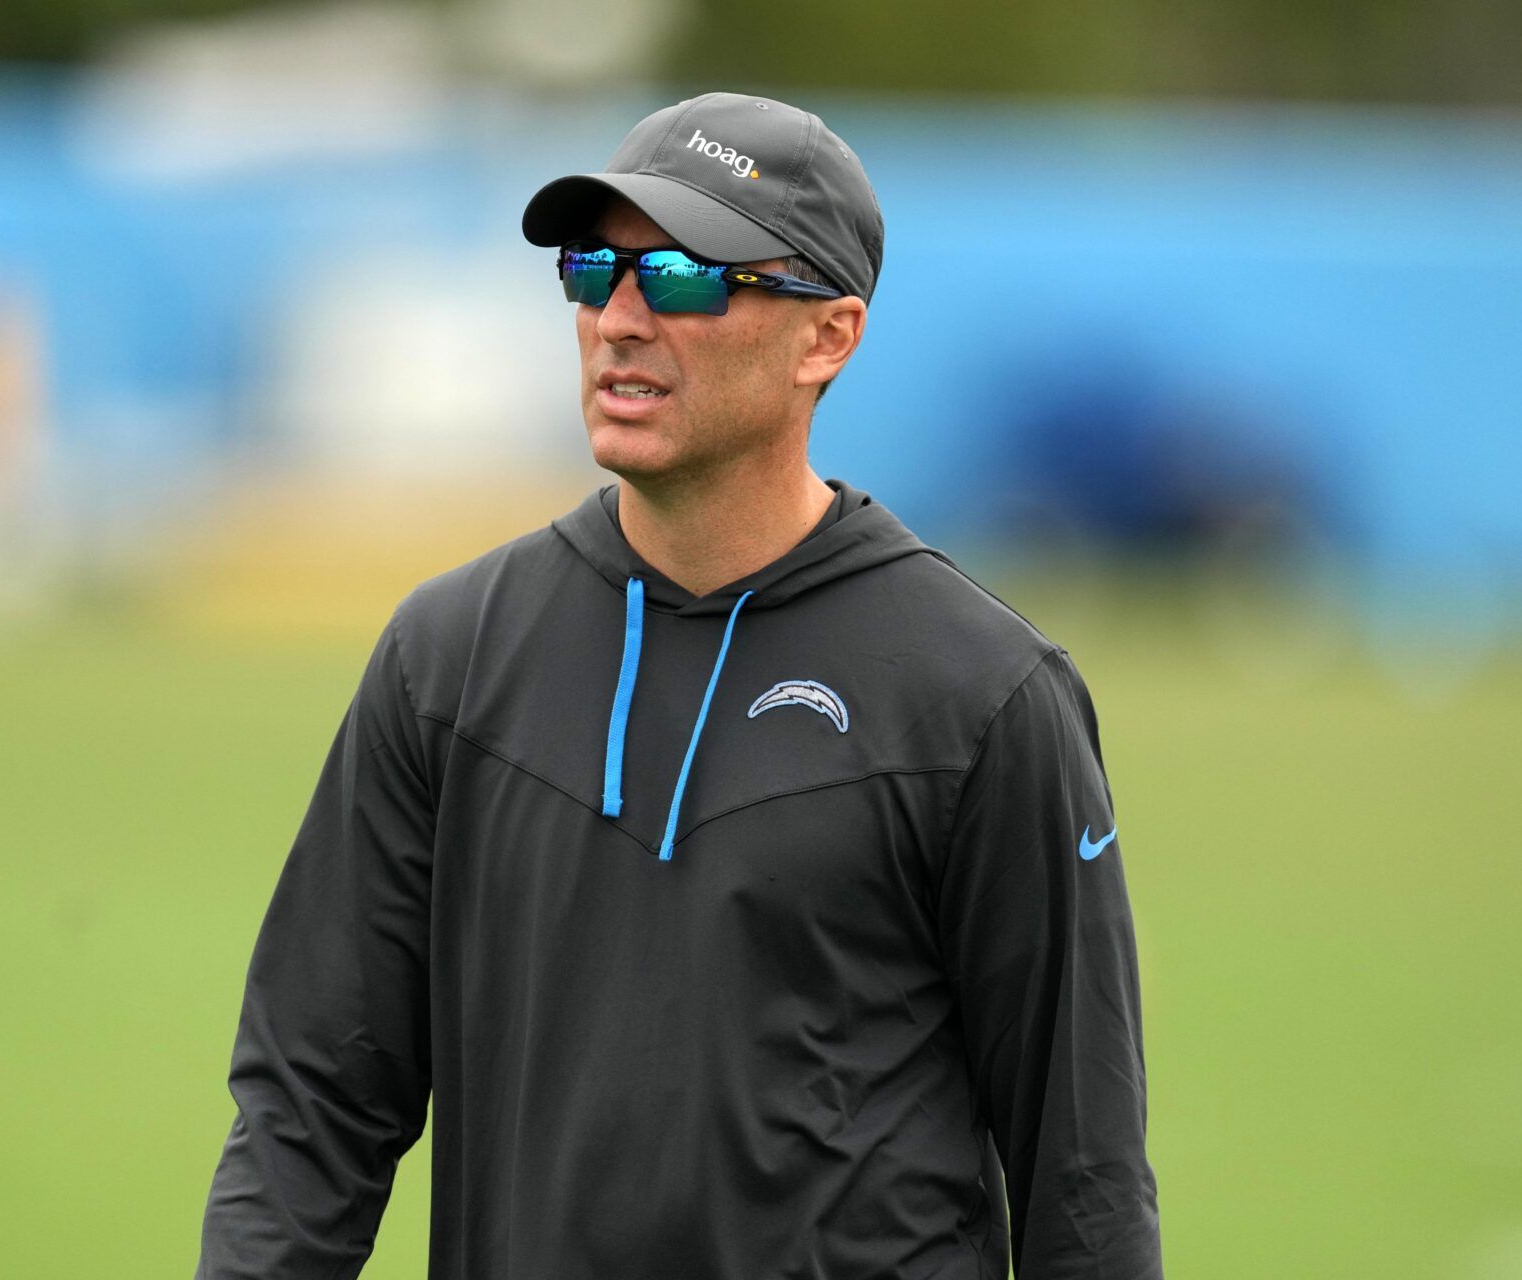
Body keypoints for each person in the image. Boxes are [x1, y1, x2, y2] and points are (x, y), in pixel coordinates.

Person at [196, 91, 1162, 1278]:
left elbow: (1088, 1182)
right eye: (592, 269)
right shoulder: (445, 657)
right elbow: (311, 1103)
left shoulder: (984, 696)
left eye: (690, 278)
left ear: (829, 334)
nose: (620, 318)